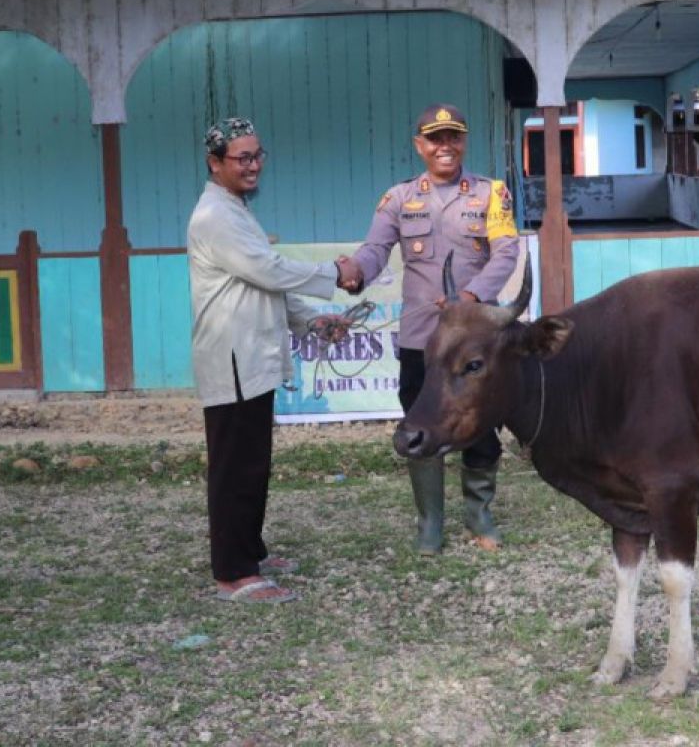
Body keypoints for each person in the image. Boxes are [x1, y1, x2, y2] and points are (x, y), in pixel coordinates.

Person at [337, 103, 520, 555]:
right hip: (420, 341)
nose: (445, 146)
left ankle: (479, 515)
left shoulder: (491, 193)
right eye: (435, 138)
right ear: (420, 146)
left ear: (464, 141)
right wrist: (357, 271)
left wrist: (472, 298)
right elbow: (375, 249)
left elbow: (506, 252)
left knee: (480, 427)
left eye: (453, 137)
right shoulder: (399, 199)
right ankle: (430, 524)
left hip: (475, 339)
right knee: (420, 427)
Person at [188, 117, 353, 602]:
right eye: (242, 158)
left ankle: (250, 552)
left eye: (258, 155)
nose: (254, 166)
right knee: (235, 466)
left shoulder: (235, 210)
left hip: (253, 356)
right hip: (232, 357)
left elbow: (265, 283)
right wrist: (333, 272)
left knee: (253, 462)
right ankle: (233, 573)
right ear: (215, 163)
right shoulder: (214, 216)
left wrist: (312, 321)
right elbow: (268, 268)